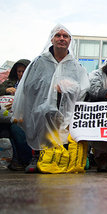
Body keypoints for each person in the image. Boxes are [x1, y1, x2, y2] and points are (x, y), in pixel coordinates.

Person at [11, 24, 90, 173]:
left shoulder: (76, 66)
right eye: (58, 35)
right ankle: (38, 154)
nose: (61, 39)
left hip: (67, 110)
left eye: (65, 36)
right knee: (45, 114)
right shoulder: (39, 62)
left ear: (70, 41)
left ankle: (63, 158)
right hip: (40, 108)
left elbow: (83, 88)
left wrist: (68, 87)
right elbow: (28, 86)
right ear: (52, 39)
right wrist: (50, 90)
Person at [0, 59, 33, 171]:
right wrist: (6, 90)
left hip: (24, 118)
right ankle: (15, 159)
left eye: (23, 71)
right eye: (19, 71)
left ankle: (23, 160)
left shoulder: (33, 85)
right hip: (5, 117)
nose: (21, 74)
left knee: (15, 129)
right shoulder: (10, 82)